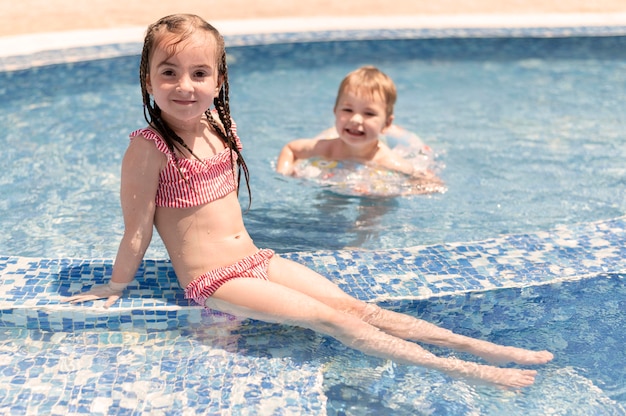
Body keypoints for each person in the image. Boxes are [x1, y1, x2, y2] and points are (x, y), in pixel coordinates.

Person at [63, 14, 552, 389]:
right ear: (148, 80)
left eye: (199, 73)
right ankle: (460, 370)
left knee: (353, 306)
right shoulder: (148, 147)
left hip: (256, 260)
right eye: (168, 73)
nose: (184, 86)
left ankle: (477, 346)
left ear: (218, 80)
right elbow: (137, 229)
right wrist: (115, 286)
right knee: (330, 319)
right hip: (213, 278)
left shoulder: (220, 128)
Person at [275, 66, 445, 194]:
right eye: (347, 110)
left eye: (369, 113)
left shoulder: (388, 161)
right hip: (333, 188)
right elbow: (290, 148)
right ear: (335, 111)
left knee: (375, 209)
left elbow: (433, 185)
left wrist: (393, 191)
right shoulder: (326, 148)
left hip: (373, 203)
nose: (355, 119)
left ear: (386, 124)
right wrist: (284, 173)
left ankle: (361, 240)